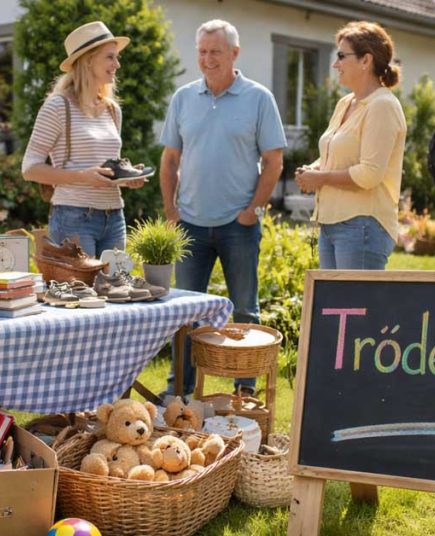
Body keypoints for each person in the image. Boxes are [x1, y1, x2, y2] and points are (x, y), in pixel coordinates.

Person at [159, 19, 286, 397]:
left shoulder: (259, 98)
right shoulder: (183, 98)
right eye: (202, 51)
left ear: (235, 53)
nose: (208, 59)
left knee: (245, 310)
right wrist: (170, 211)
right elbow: (169, 160)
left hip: (238, 225)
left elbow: (274, 160)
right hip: (190, 225)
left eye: (215, 51)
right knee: (185, 314)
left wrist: (253, 210)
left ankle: (245, 392)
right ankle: (178, 390)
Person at [22, 21, 146, 256]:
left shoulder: (112, 110)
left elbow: (106, 169)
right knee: (80, 292)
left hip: (114, 217)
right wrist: (82, 177)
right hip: (73, 217)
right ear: (88, 60)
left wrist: (126, 178)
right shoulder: (58, 106)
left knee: (116, 291)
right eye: (110, 57)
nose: (117, 64)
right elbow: (29, 169)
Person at [294, 21, 406, 270]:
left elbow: (369, 174)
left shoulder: (382, 106)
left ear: (366, 60)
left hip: (363, 226)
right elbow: (334, 153)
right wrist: (312, 170)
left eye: (342, 56)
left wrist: (320, 179)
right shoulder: (346, 103)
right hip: (332, 224)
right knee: (334, 307)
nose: (335, 64)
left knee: (356, 307)